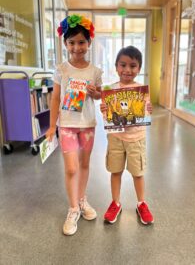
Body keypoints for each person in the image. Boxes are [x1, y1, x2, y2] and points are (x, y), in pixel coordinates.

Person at [46, 14, 102, 236]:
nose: (77, 47)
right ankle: (72, 209)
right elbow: (55, 99)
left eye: (81, 42)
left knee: (85, 165)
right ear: (65, 43)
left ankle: (82, 200)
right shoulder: (62, 69)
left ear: (89, 42)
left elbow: (100, 96)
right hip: (67, 125)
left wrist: (95, 92)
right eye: (72, 43)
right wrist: (52, 126)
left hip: (88, 125)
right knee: (71, 168)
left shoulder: (95, 71)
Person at [100, 46, 154, 225]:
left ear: (139, 68)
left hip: (136, 138)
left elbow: (146, 113)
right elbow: (108, 116)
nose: (127, 70)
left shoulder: (141, 90)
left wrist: (148, 110)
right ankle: (115, 202)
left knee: (138, 173)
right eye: (123, 65)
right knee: (115, 171)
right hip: (116, 138)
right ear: (116, 67)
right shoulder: (110, 89)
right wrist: (104, 110)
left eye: (133, 66)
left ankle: (141, 203)